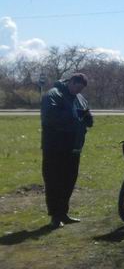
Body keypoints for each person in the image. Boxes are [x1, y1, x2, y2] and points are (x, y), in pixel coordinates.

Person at [40, 73, 93, 229]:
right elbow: (51, 118)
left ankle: (64, 213)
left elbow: (88, 118)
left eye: (81, 89)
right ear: (71, 82)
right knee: (54, 181)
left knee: (69, 181)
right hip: (55, 147)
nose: (78, 91)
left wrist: (87, 118)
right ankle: (55, 216)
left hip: (74, 147)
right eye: (77, 87)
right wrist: (77, 117)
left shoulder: (80, 98)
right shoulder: (52, 95)